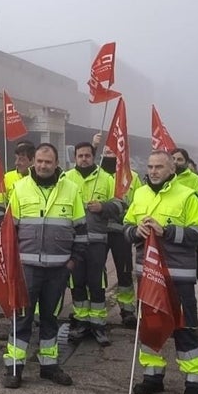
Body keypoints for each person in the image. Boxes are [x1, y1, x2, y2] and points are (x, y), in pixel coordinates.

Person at [125, 150, 198, 394]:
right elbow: (126, 227)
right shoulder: (140, 194)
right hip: (148, 276)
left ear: (172, 169)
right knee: (150, 327)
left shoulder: (187, 195)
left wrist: (167, 231)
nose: (153, 171)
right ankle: (152, 376)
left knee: (185, 329)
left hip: (178, 277)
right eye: (150, 166)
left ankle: (194, 381)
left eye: (159, 167)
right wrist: (135, 231)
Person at [2, 143, 87, 389]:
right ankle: (14, 367)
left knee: (50, 318)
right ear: (33, 162)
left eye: (48, 162)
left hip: (58, 270)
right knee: (22, 318)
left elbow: (81, 230)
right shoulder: (20, 188)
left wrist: (73, 261)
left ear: (56, 163)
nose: (43, 165)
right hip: (26, 269)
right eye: (39, 161)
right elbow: (10, 230)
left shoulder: (71, 189)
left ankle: (49, 366)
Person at [64, 141, 124, 346]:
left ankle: (98, 324)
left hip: (97, 241)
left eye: (87, 155)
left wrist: (103, 206)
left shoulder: (106, 178)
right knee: (77, 281)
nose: (84, 159)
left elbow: (120, 205)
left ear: (93, 156)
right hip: (73, 241)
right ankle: (81, 321)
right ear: (75, 158)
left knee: (97, 282)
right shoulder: (66, 178)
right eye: (80, 156)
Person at [93, 132, 141, 328]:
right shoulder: (96, 175)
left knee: (124, 272)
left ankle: (127, 310)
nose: (109, 155)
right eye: (105, 152)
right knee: (97, 271)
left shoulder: (132, 177)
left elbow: (140, 203)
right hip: (99, 232)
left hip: (121, 233)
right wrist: (93, 146)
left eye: (112, 151)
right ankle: (96, 310)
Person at [172, 148, 198, 329]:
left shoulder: (194, 180)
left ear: (186, 161)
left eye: (179, 159)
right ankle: (177, 317)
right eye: (173, 159)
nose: (176, 162)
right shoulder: (166, 180)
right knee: (177, 281)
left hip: (193, 236)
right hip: (174, 240)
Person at [0, 140, 35, 226]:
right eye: (16, 159)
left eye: (21, 159)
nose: (16, 163)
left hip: (32, 229)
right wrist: (1, 220)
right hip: (12, 229)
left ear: (33, 160)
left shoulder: (41, 180)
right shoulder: (7, 177)